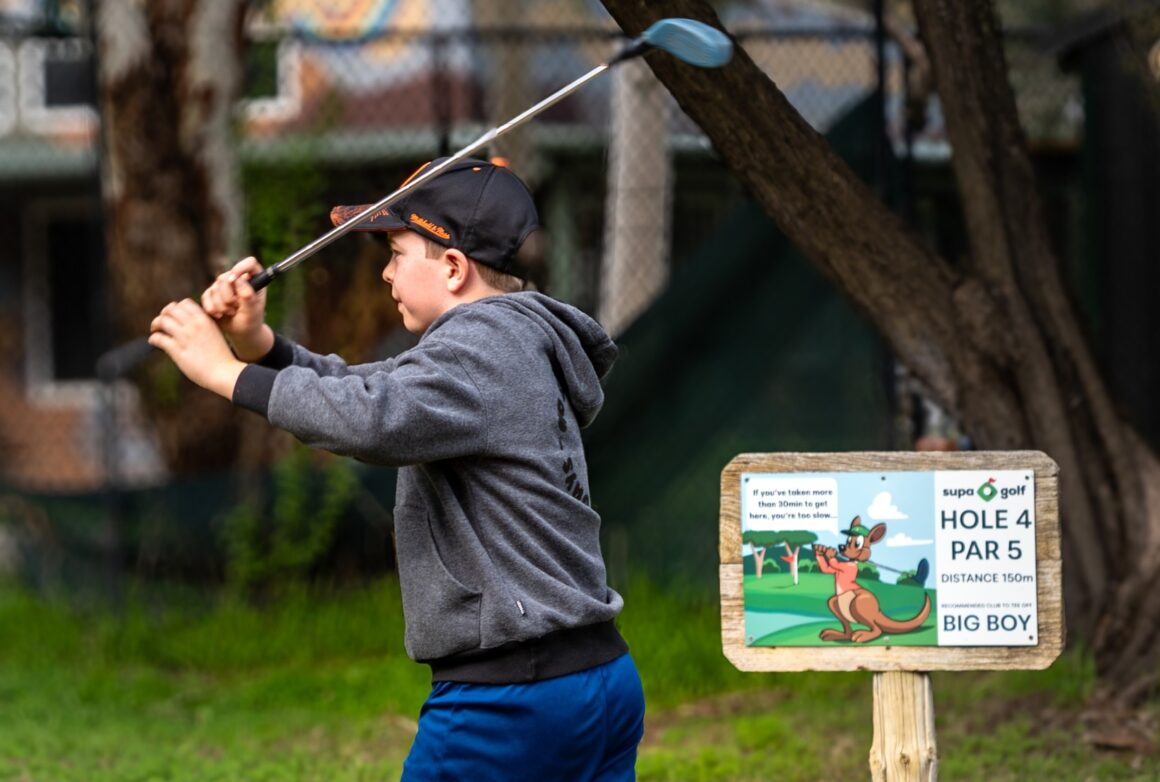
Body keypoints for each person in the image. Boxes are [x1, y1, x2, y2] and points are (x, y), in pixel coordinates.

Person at [148, 157, 646, 780]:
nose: (385, 273)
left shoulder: (480, 350)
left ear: (454, 267)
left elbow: (370, 418)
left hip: (511, 699)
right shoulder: (513, 341)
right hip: (596, 678)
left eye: (396, 252)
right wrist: (261, 345)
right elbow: (371, 387)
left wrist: (223, 372)